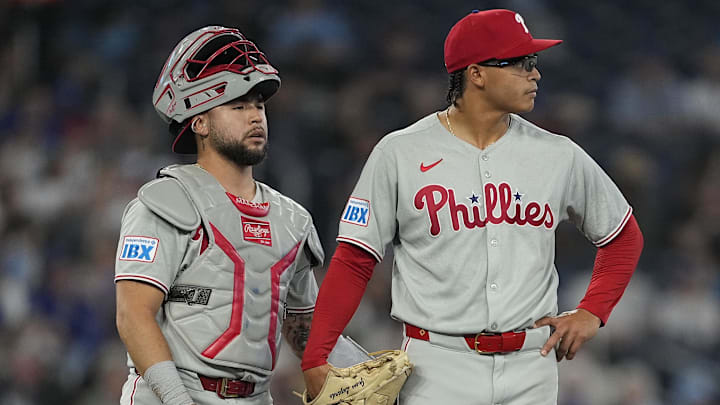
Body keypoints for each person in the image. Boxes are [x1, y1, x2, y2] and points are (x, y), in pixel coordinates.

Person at [302, 9, 644, 405]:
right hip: (438, 365)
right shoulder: (401, 152)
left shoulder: (558, 154)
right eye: (520, 63)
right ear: (476, 73)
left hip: (532, 364)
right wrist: (316, 355)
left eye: (533, 63)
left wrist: (592, 310)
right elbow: (355, 258)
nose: (535, 74)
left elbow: (623, 236)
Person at [114, 26, 323, 405]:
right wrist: (177, 400)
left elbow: (303, 329)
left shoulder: (293, 220)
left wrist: (343, 375)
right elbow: (133, 316)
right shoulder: (165, 203)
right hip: (168, 394)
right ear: (200, 123)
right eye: (237, 106)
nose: (255, 117)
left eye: (259, 105)